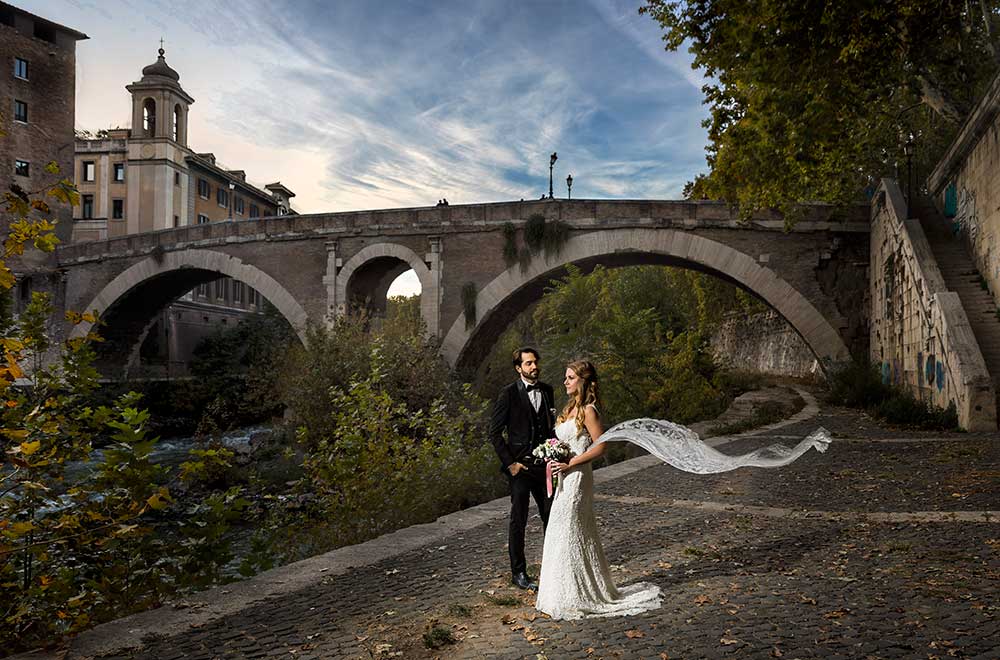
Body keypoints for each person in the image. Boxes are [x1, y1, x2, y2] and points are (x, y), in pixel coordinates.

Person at [536, 359, 831, 620]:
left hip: (576, 477)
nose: (565, 381)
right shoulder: (568, 409)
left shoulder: (588, 410)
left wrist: (571, 462)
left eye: (570, 377)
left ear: (584, 382)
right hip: (565, 474)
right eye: (566, 377)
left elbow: (601, 447)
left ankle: (578, 595)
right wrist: (555, 455)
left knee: (572, 529)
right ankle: (560, 591)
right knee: (561, 530)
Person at [489, 347, 555, 590]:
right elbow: (494, 433)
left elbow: (549, 429)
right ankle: (519, 573)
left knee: (552, 517)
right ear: (519, 368)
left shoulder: (547, 391)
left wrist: (556, 454)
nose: (534, 366)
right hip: (520, 468)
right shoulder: (507, 394)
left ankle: (554, 567)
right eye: (528, 364)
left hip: (544, 468)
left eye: (535, 362)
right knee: (519, 521)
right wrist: (510, 464)